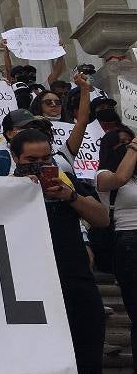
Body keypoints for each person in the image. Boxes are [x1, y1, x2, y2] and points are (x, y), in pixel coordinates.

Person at [10, 129, 108, 374]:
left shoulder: (66, 182)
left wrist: (70, 196)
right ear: (15, 158)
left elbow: (102, 219)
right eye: (31, 161)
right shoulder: (4, 188)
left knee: (87, 353)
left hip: (75, 281)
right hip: (28, 290)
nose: (40, 165)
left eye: (46, 159)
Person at [0, 74, 92, 177]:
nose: (31, 131)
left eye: (34, 126)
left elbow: (81, 123)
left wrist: (85, 90)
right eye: (23, 128)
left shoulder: (60, 157)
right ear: (9, 133)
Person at [96, 127, 137, 361]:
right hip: (129, 242)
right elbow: (120, 178)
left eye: (129, 141)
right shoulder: (102, 174)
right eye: (121, 143)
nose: (128, 146)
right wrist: (134, 146)